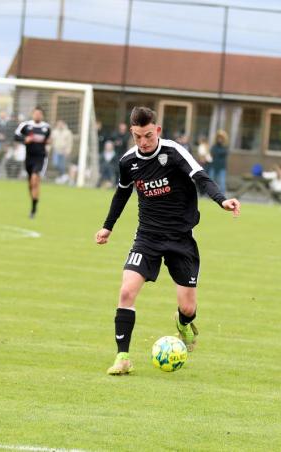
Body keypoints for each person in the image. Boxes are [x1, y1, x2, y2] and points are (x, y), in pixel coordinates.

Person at [94, 107, 240, 375]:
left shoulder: (174, 152)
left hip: (180, 238)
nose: (144, 142)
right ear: (132, 133)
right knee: (126, 292)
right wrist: (107, 227)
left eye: (148, 135)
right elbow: (122, 194)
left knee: (188, 307)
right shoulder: (128, 161)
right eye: (138, 137)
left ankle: (184, 323)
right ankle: (122, 358)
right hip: (147, 237)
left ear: (157, 130)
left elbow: (201, 177)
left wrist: (222, 200)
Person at [15, 106, 51, 218]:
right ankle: (34, 202)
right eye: (35, 114)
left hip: (40, 158)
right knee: (30, 183)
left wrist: (48, 142)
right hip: (29, 158)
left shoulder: (46, 127)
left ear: (42, 115)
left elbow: (48, 140)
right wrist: (24, 140)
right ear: (32, 114)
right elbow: (16, 136)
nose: (37, 116)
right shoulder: (26, 125)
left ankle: (33, 210)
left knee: (35, 179)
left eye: (39, 114)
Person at [209, 130, 229, 194]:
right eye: (218, 138)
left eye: (221, 138)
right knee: (211, 181)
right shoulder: (214, 146)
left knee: (222, 182)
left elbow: (223, 152)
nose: (219, 139)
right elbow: (212, 153)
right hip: (214, 166)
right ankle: (211, 194)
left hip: (222, 167)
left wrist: (218, 153)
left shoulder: (225, 147)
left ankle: (222, 195)